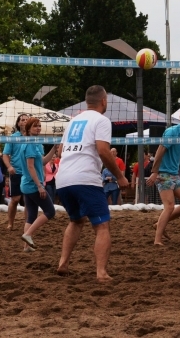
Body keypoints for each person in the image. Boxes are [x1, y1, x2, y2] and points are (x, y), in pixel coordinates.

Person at [55, 86, 128, 281]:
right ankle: (101, 273)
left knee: (76, 221)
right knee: (102, 226)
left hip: (62, 179)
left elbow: (60, 152)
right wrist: (120, 176)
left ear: (87, 101)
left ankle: (63, 263)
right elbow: (104, 151)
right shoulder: (102, 120)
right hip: (85, 178)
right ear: (104, 101)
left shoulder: (73, 121)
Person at [146, 105, 180, 245]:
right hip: (163, 173)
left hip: (174, 174)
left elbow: (179, 157)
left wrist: (178, 172)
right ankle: (157, 240)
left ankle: (159, 224)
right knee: (169, 206)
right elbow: (159, 151)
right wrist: (154, 172)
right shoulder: (172, 132)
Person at [19, 118, 59, 252]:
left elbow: (42, 161)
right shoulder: (29, 143)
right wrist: (39, 186)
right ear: (29, 129)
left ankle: (27, 247)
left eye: (40, 126)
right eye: (35, 126)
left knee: (31, 215)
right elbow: (30, 167)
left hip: (27, 184)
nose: (38, 128)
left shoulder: (37, 143)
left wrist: (54, 149)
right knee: (50, 211)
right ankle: (28, 234)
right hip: (32, 185)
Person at [3, 113, 29, 230]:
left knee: (28, 200)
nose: (24, 121)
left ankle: (27, 225)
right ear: (18, 123)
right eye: (22, 120)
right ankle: (10, 223)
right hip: (16, 172)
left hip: (29, 173)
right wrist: (9, 167)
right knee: (15, 199)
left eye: (26, 120)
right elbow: (5, 155)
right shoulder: (14, 137)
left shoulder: (32, 137)